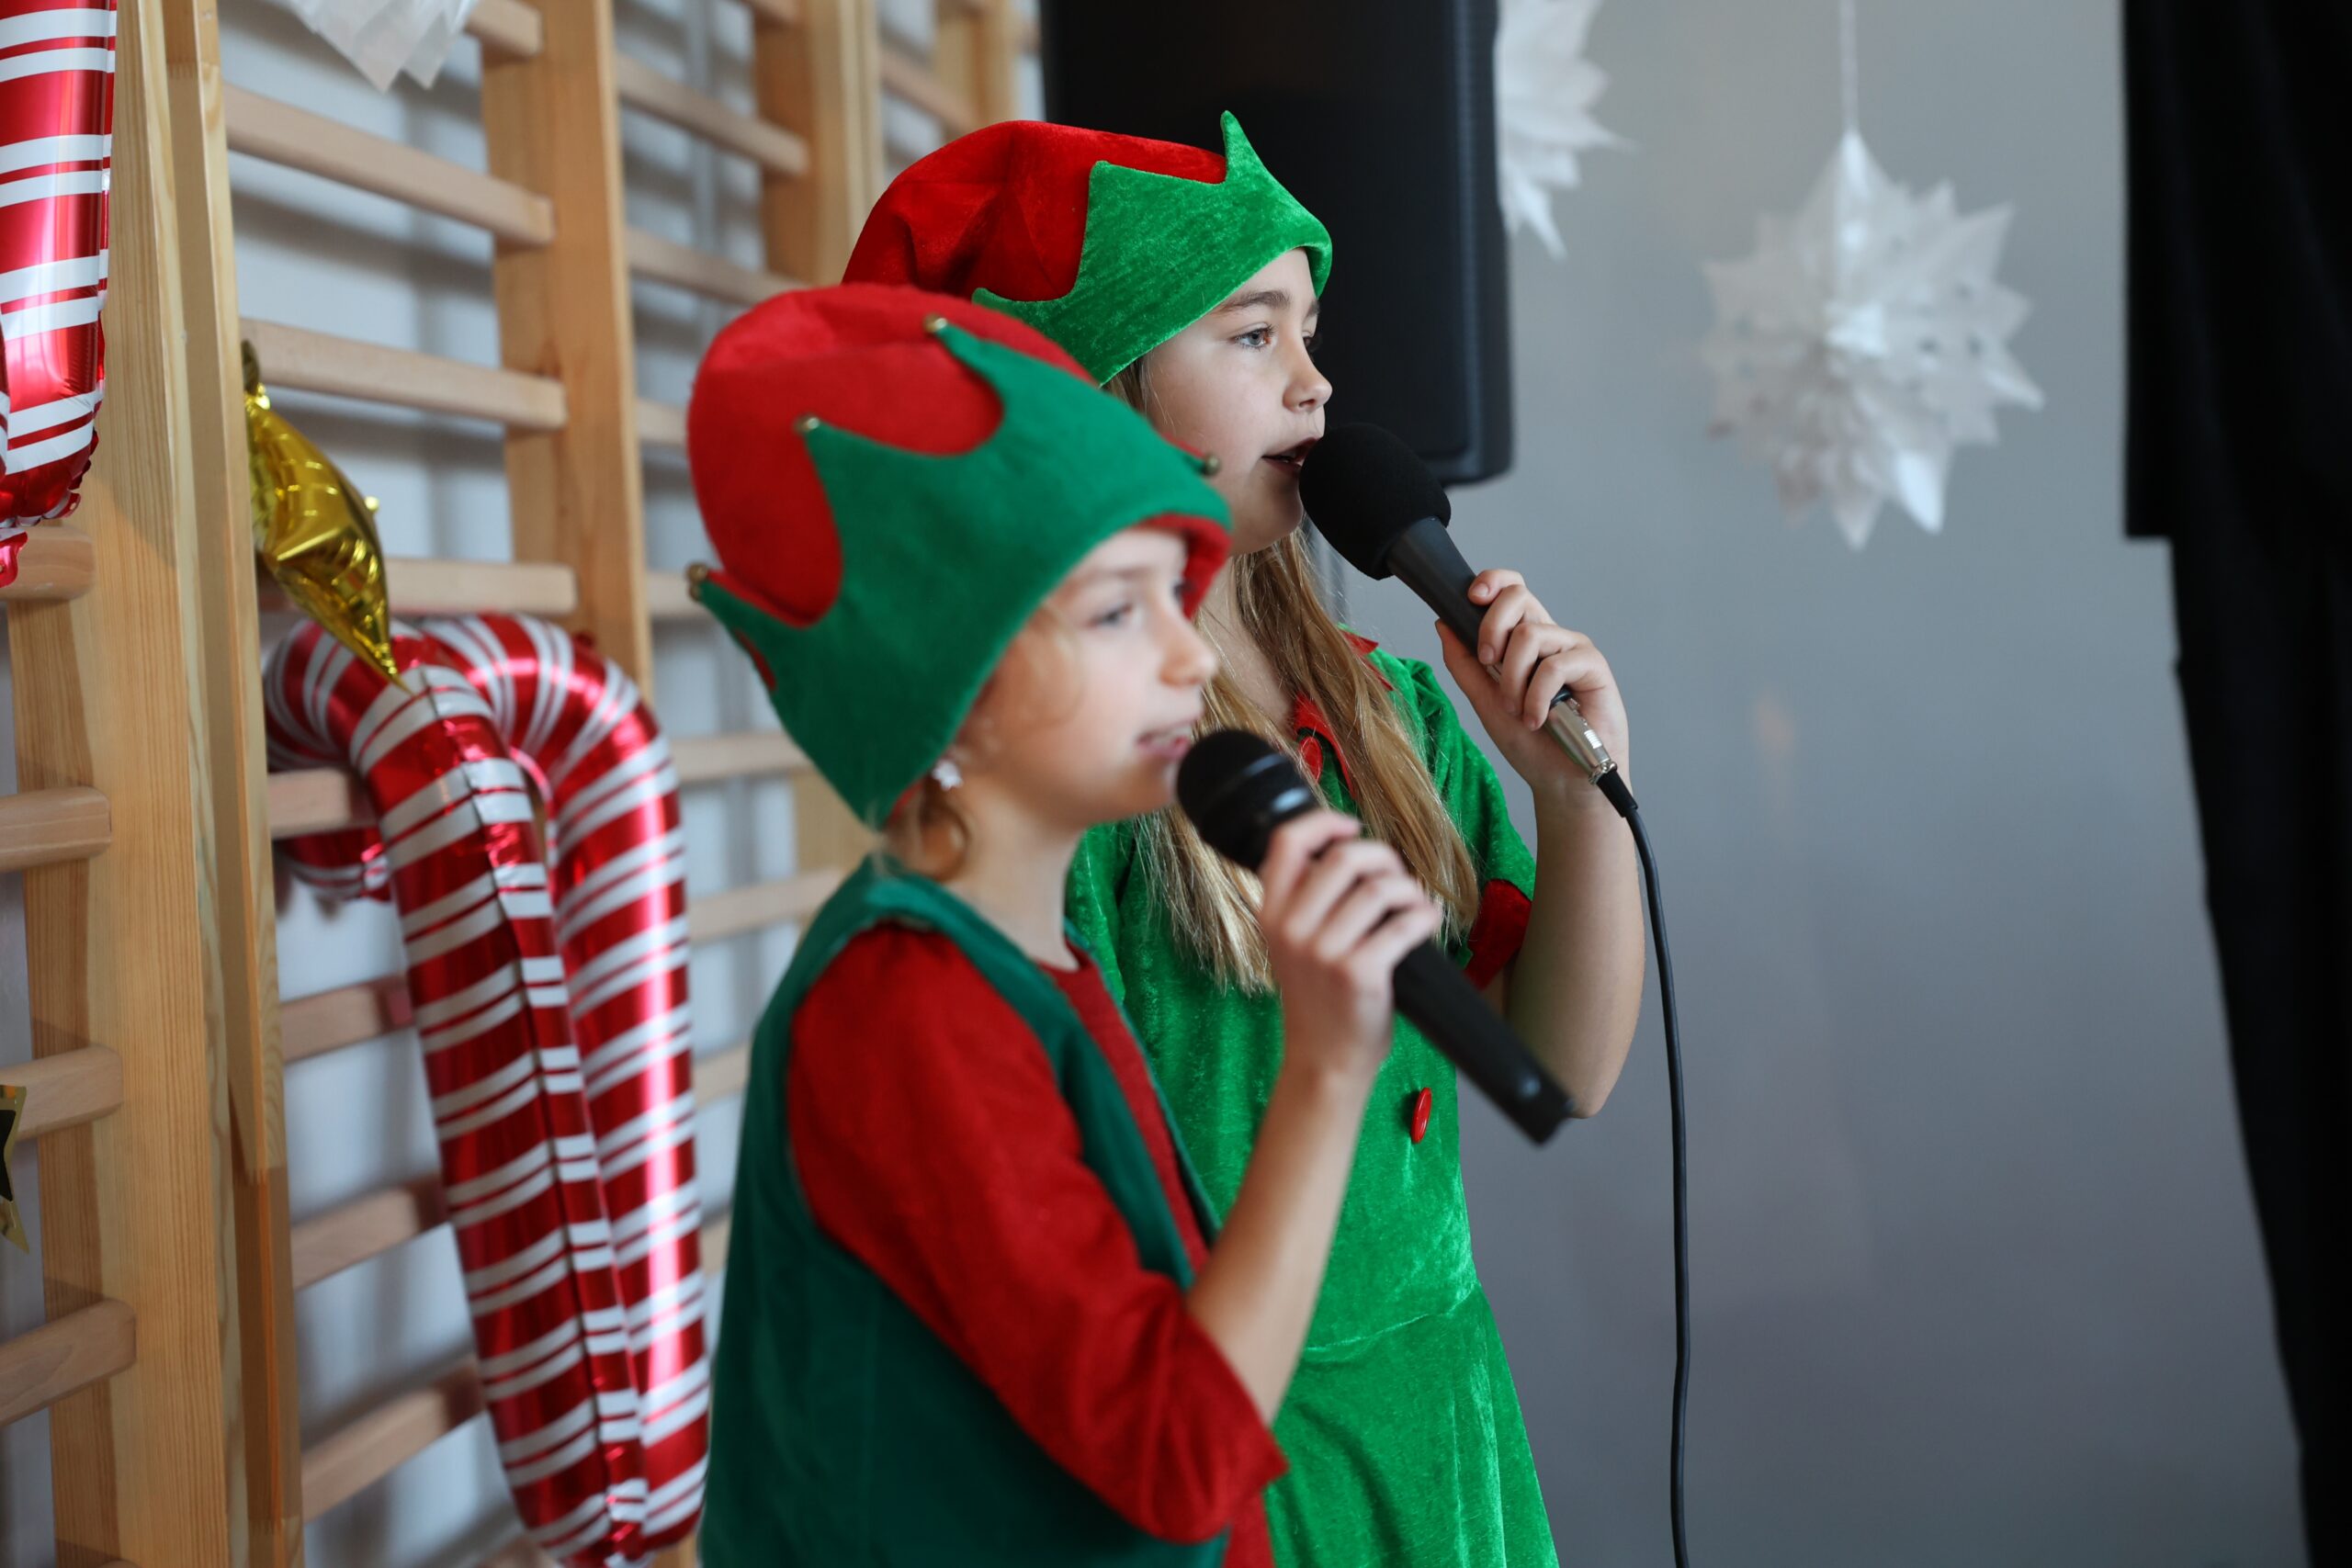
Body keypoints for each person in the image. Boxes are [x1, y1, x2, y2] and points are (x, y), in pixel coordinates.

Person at [847, 118, 1648, 1566]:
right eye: (1252, 332)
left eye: (1311, 331)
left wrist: (1576, 793)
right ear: (1100, 392)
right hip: (1233, 1469)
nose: (1316, 381)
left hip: (1448, 1434)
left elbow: (1567, 1070)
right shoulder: (1079, 794)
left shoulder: (1391, 708)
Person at [686, 282, 1444, 1565]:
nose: (1191, 657)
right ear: (949, 671)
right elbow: (1178, 1453)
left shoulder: (1036, 965)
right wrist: (1324, 1071)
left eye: (1173, 595)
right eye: (1116, 611)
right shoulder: (910, 1008)